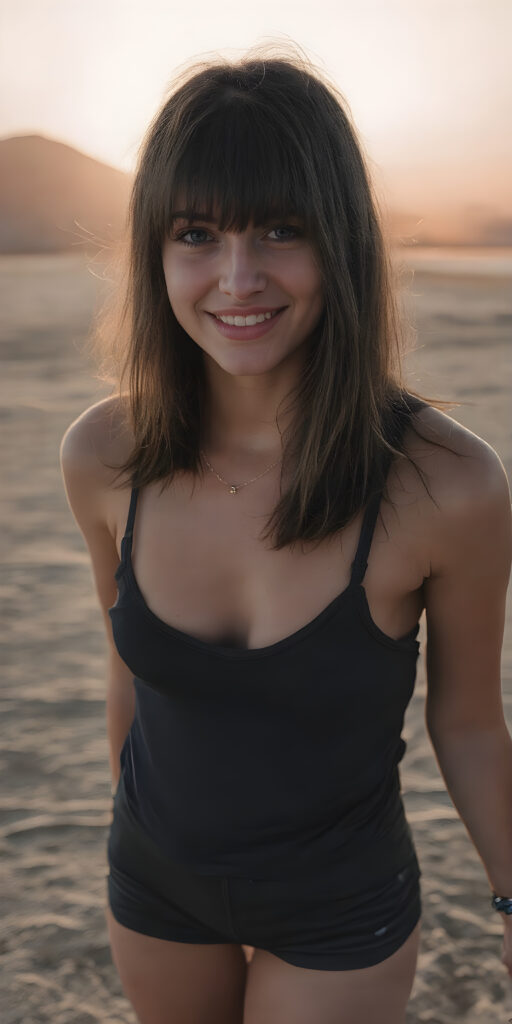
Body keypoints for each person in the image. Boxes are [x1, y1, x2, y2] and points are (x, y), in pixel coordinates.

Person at [60, 41, 512, 1024]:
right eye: (195, 233)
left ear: (342, 242)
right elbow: (127, 670)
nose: (236, 277)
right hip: (155, 887)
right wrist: (132, 836)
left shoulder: (447, 484)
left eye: (277, 229)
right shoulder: (103, 456)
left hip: (339, 905)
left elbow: (468, 720)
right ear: (154, 251)